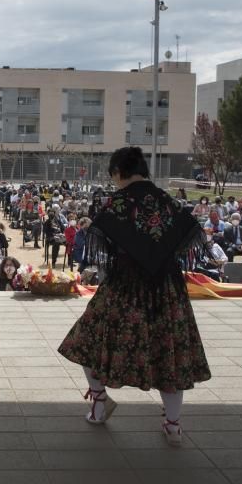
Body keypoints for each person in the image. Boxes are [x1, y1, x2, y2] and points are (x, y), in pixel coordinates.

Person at [57, 147, 210, 447]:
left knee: (85, 340)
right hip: (167, 290)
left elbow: (102, 240)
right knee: (169, 356)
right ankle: (173, 425)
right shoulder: (168, 201)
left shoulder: (117, 203)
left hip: (124, 288)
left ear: (118, 172)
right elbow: (188, 234)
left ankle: (100, 403)